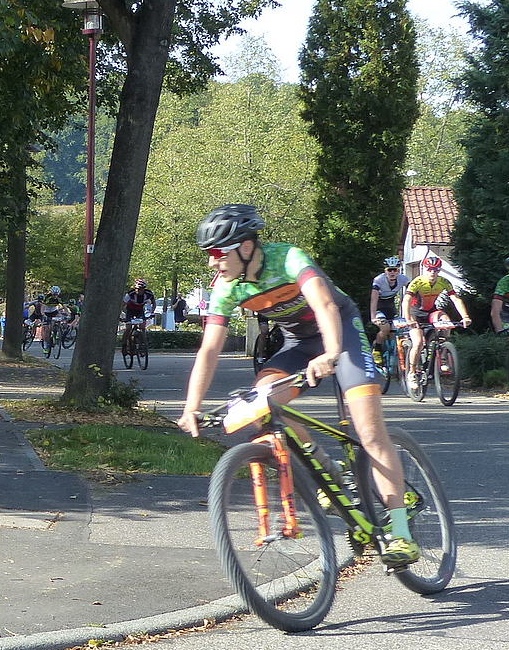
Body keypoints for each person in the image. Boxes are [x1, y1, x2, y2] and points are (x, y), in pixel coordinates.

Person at [177, 203, 420, 566]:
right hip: (299, 344)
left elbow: (325, 306)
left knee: (369, 432)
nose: (213, 262)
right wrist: (191, 407)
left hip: (342, 333)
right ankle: (331, 474)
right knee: (260, 407)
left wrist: (332, 353)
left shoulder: (288, 258)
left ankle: (400, 533)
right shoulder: (227, 287)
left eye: (218, 253)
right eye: (208, 255)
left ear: (246, 247)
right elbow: (209, 348)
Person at [402, 255, 471, 382]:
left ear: (439, 270)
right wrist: (408, 319)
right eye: (429, 269)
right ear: (425, 269)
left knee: (446, 321)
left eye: (435, 270)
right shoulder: (417, 282)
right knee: (418, 343)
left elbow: (455, 299)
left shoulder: (444, 282)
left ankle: (443, 356)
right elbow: (406, 300)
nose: (432, 272)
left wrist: (465, 317)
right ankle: (411, 372)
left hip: (431, 311)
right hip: (415, 313)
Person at [367, 258, 409, 365]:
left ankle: (393, 361)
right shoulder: (379, 280)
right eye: (390, 270)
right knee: (385, 328)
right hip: (379, 307)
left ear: (399, 270)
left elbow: (413, 292)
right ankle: (377, 349)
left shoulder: (403, 279)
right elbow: (374, 299)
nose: (392, 272)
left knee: (394, 332)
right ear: (385, 271)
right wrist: (373, 317)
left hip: (391, 307)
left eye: (395, 270)